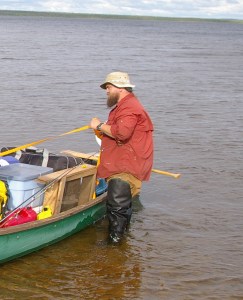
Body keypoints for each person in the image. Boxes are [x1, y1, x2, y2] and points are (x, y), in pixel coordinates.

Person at [90, 71, 154, 243]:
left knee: (117, 207)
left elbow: (122, 133)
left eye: (108, 87)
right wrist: (102, 129)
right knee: (122, 208)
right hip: (122, 163)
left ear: (119, 87)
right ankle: (120, 245)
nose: (106, 91)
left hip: (124, 167)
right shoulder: (126, 106)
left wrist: (99, 125)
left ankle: (115, 243)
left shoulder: (130, 108)